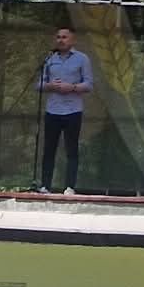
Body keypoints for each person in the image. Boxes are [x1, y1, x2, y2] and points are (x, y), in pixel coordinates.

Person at [34, 25, 94, 193]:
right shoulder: (49, 59)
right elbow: (38, 85)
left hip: (73, 110)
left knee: (71, 150)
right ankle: (45, 185)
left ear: (72, 40)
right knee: (49, 149)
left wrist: (72, 87)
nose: (61, 40)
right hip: (52, 110)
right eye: (58, 37)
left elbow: (89, 84)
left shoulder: (82, 59)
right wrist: (50, 85)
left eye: (64, 37)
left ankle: (69, 187)